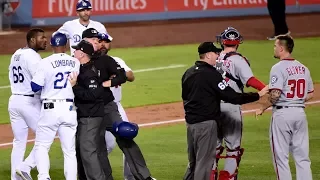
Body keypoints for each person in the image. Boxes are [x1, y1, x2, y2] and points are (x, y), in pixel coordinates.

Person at [182, 42, 268, 180]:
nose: (218, 56)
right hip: (206, 125)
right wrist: (257, 95)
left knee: (193, 164)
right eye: (215, 53)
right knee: (204, 165)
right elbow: (232, 96)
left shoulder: (188, 72)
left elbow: (185, 98)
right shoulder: (211, 74)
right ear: (208, 55)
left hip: (191, 125)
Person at [82, 28, 156, 180]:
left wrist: (113, 79)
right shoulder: (79, 61)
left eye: (100, 40)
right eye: (95, 40)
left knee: (125, 135)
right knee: (100, 146)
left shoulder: (109, 60)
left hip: (110, 106)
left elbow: (127, 75)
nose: (99, 43)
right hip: (90, 110)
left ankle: (142, 176)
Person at [256, 35, 314, 180]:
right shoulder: (303, 68)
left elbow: (275, 95)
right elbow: (310, 94)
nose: (274, 48)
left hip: (283, 116)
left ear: (282, 48)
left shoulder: (278, 68)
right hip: (300, 114)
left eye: (275, 46)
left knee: (281, 157)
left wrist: (263, 107)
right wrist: (295, 100)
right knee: (302, 157)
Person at [213, 27, 267, 180]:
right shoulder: (239, 60)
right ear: (238, 43)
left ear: (223, 41)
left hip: (214, 107)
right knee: (233, 149)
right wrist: (265, 88)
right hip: (231, 107)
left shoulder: (215, 59)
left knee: (214, 148)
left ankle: (209, 176)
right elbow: (250, 80)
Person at [31, 33, 80, 180]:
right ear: (66, 45)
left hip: (50, 109)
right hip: (69, 108)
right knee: (70, 151)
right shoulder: (75, 62)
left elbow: (35, 87)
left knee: (42, 146)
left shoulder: (45, 62)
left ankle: (44, 177)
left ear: (52, 45)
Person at [69, 39, 113, 180]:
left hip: (91, 116)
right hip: (91, 115)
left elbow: (93, 95)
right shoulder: (84, 69)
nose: (73, 52)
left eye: (76, 50)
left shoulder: (89, 72)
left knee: (88, 151)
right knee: (95, 150)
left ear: (82, 54)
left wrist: (74, 87)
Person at [8, 28, 47, 180]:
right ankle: (25, 167)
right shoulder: (33, 56)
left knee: (18, 142)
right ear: (32, 40)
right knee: (45, 136)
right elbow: (39, 81)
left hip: (14, 101)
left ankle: (15, 177)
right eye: (42, 37)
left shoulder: (16, 54)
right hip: (28, 101)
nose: (45, 40)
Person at [98, 32, 136, 180]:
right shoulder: (92, 62)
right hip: (99, 107)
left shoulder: (117, 60)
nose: (103, 44)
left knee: (127, 138)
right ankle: (93, 171)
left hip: (116, 107)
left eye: (106, 42)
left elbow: (131, 76)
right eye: (100, 41)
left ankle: (130, 177)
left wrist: (118, 74)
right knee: (109, 144)